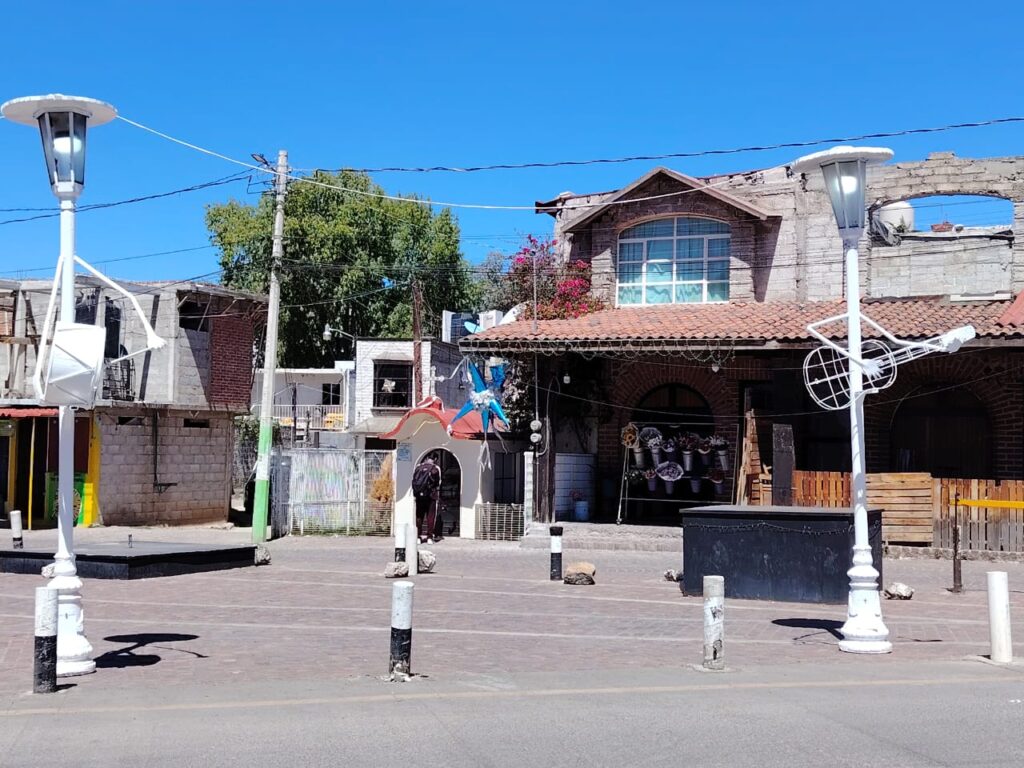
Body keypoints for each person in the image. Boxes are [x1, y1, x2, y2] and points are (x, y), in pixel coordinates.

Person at [411, 453, 441, 544]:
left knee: (419, 516)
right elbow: (438, 483)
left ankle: (418, 537)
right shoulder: (436, 468)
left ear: (427, 458)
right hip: (431, 496)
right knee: (430, 517)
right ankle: (429, 537)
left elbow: (414, 480)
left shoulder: (418, 467)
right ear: (435, 459)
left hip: (419, 497)